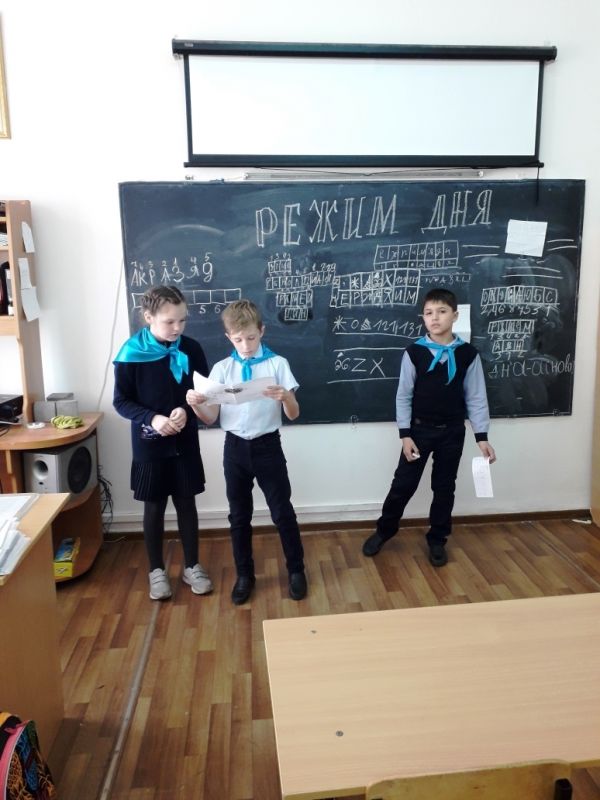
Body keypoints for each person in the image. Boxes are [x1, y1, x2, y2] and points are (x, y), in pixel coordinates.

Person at [362, 287, 496, 566]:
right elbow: (404, 395)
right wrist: (405, 434)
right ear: (423, 317)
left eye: (442, 311)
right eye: (428, 313)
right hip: (419, 431)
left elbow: (476, 396)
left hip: (452, 432)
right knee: (403, 485)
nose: (435, 318)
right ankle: (384, 530)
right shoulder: (415, 353)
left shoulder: (468, 354)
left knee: (444, 487)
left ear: (455, 316)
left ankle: (437, 538)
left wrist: (481, 436)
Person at [186, 299, 306, 605]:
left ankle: (296, 570)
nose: (246, 345)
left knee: (282, 512)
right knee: (239, 516)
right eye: (238, 339)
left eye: (251, 337)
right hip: (235, 448)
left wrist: (285, 397)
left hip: (268, 446)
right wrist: (197, 404)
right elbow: (210, 418)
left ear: (261, 331)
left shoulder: (277, 364)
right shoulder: (222, 369)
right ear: (229, 337)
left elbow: (293, 414)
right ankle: (244, 575)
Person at [113, 285, 213, 601]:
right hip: (149, 444)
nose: (177, 328)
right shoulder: (130, 353)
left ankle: (192, 565)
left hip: (185, 441)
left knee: (186, 502)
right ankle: (156, 570)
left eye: (182, 320)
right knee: (154, 506)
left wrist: (186, 410)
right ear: (148, 317)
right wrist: (152, 418)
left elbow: (204, 393)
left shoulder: (192, 349)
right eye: (170, 321)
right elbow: (121, 401)